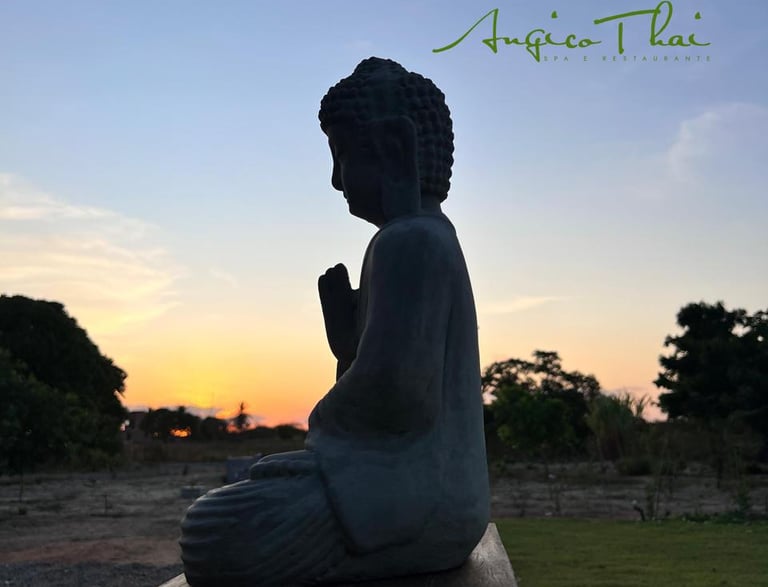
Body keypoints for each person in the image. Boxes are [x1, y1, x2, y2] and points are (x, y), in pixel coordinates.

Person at [180, 57, 489, 587]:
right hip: (433, 493)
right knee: (228, 514)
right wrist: (348, 349)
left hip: (422, 499)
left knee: (213, 529)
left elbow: (398, 395)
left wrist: (318, 434)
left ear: (394, 149)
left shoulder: (409, 240)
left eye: (342, 157)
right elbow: (393, 391)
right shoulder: (421, 237)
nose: (334, 180)